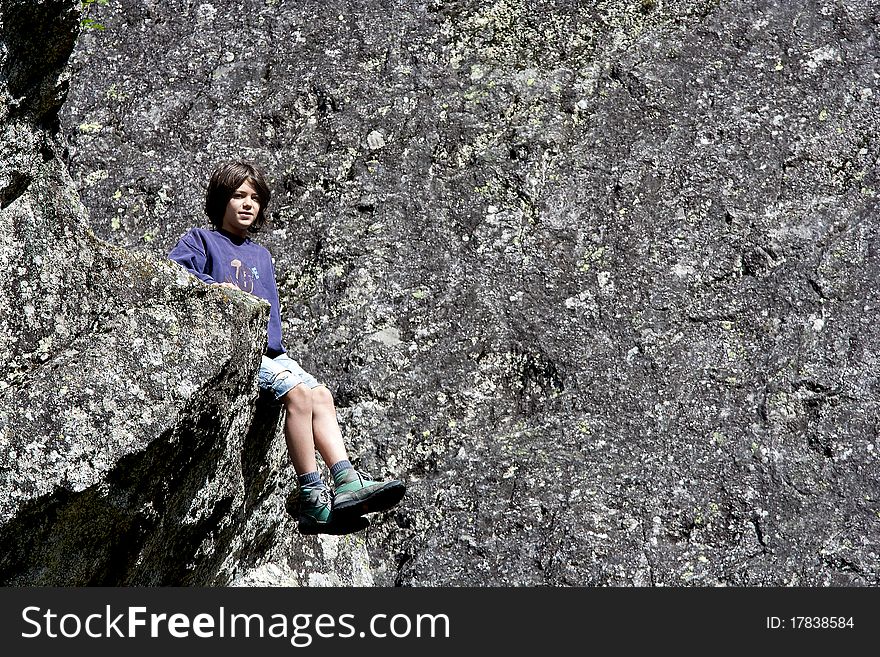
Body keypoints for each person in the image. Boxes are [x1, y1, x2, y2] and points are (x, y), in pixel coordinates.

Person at [168, 160, 405, 535]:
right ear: (221, 200)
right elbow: (176, 272)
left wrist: (274, 345)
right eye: (238, 196)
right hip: (235, 350)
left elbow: (271, 312)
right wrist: (215, 290)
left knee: (321, 395)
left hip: (270, 352)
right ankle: (312, 498)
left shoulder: (262, 256)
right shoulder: (201, 240)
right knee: (297, 395)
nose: (248, 204)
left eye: (255, 198)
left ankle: (346, 483)